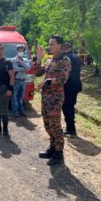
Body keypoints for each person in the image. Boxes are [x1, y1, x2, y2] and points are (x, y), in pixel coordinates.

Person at [35, 36, 71, 166]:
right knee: (47, 124)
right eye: (49, 44)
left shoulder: (65, 61)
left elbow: (62, 80)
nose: (49, 47)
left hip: (55, 98)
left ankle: (59, 153)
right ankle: (52, 147)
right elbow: (37, 73)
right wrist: (38, 60)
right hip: (46, 97)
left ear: (60, 45)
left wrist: (46, 81)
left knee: (55, 124)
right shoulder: (50, 60)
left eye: (52, 44)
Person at [62, 42, 82, 136]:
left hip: (69, 85)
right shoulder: (75, 55)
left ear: (65, 48)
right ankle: (70, 127)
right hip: (76, 84)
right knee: (70, 106)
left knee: (66, 106)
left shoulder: (67, 57)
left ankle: (71, 129)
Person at [10, 44, 31, 117]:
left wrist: (21, 62)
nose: (21, 52)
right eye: (19, 50)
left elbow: (28, 68)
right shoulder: (13, 60)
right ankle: (15, 111)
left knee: (21, 97)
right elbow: (15, 68)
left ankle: (21, 110)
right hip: (16, 80)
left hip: (23, 81)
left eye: (22, 50)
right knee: (14, 96)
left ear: (24, 52)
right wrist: (23, 68)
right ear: (16, 51)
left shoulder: (26, 60)